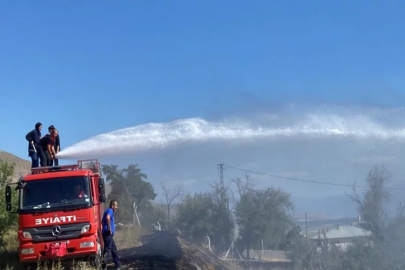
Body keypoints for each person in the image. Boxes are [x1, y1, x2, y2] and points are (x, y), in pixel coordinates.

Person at [101, 200, 120, 270]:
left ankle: (118, 265)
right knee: (107, 250)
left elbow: (102, 221)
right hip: (108, 233)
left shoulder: (106, 211)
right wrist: (109, 228)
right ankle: (103, 266)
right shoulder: (110, 211)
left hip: (106, 233)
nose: (117, 207)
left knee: (113, 249)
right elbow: (107, 217)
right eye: (116, 205)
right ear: (112, 206)